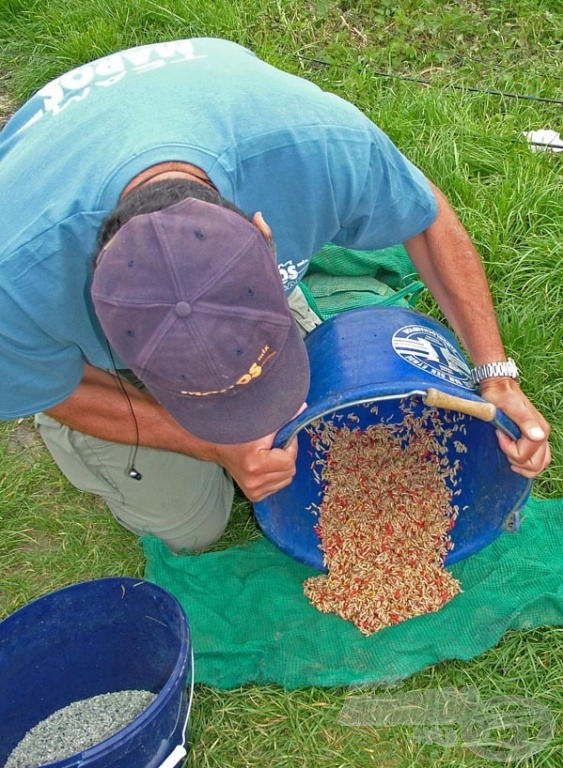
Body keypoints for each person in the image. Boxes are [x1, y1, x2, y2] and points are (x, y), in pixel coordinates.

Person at [0, 37, 550, 552]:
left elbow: (426, 217)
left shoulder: (317, 143)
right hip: (58, 250)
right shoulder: (18, 274)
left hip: (215, 107)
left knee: (319, 422)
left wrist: (496, 376)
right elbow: (57, 388)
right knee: (193, 522)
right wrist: (214, 446)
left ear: (265, 235)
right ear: (94, 293)